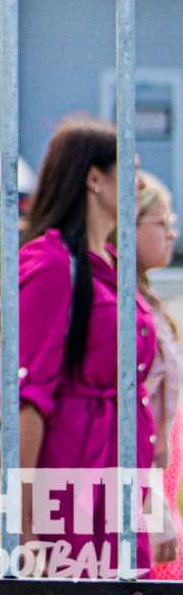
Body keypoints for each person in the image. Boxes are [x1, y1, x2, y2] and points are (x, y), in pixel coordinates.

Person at [17, 116, 160, 577]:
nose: (141, 184)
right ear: (94, 179)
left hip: (119, 484)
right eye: (130, 170)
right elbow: (29, 399)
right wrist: (25, 526)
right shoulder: (51, 265)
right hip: (74, 481)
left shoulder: (112, 265)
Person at [139, 175, 182, 575]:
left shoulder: (146, 298)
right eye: (162, 222)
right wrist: (151, 500)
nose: (172, 234)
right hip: (143, 480)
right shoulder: (121, 306)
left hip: (161, 475)